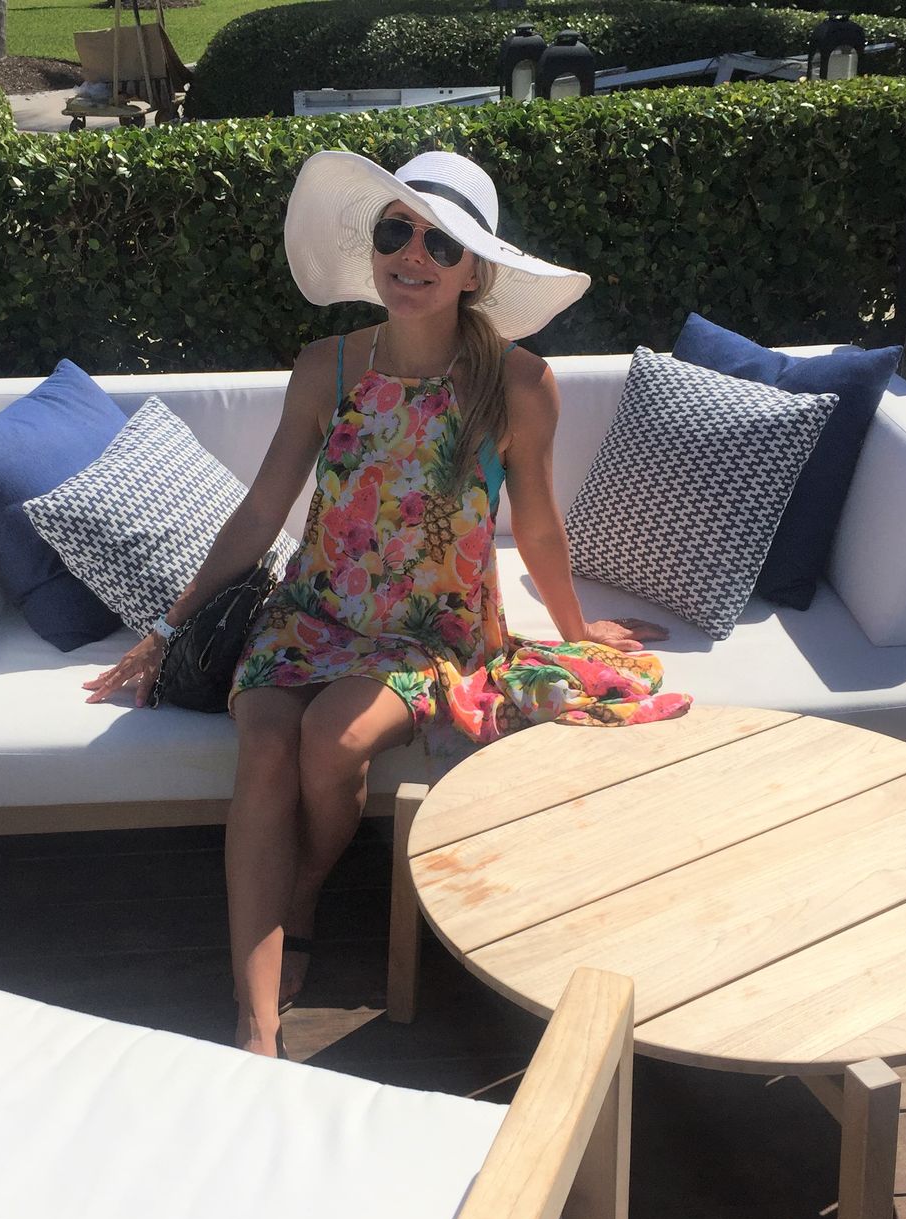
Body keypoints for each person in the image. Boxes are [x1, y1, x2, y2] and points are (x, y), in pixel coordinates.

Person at [84, 149, 690, 1057]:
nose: (413, 254)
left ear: (475, 270)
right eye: (394, 231)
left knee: (332, 740)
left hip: (428, 632)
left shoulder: (518, 383)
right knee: (266, 744)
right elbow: (261, 511)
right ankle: (255, 1024)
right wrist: (169, 626)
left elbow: (538, 525)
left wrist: (576, 633)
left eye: (440, 243)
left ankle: (302, 896)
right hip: (309, 612)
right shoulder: (325, 367)